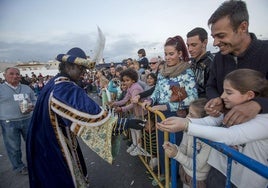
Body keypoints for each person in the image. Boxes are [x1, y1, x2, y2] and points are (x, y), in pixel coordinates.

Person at [26, 47, 145, 188]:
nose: (84, 72)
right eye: (81, 68)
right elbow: (93, 116)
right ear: (69, 66)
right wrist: (126, 123)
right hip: (53, 143)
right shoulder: (64, 87)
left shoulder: (55, 82)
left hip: (45, 137)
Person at [157, 69, 268, 188]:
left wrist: (186, 125)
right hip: (219, 171)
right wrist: (185, 121)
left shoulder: (264, 121)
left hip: (244, 182)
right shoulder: (229, 109)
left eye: (229, 92)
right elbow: (210, 121)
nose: (222, 96)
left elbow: (230, 135)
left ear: (250, 95)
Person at [142, 35, 198, 185]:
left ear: (180, 54)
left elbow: (192, 98)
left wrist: (166, 106)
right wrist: (150, 100)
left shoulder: (187, 72)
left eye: (171, 54)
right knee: (163, 148)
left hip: (177, 118)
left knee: (176, 150)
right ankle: (165, 175)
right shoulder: (162, 72)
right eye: (166, 54)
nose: (167, 57)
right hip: (161, 115)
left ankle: (175, 180)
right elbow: (157, 92)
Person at [204, 0, 268, 126]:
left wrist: (258, 104)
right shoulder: (218, 58)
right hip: (228, 133)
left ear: (243, 27)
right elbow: (210, 86)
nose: (215, 43)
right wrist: (216, 99)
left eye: (221, 36)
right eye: (213, 37)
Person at [162, 98, 210, 188]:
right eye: (188, 112)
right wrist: (175, 148)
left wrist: (176, 155)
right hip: (185, 171)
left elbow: (197, 166)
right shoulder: (188, 129)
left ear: (204, 120)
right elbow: (183, 146)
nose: (187, 117)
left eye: (191, 115)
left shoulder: (208, 140)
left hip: (198, 178)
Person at [0, 67, 36, 175]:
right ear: (4, 76)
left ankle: (36, 163)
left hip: (27, 120)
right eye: (11, 74)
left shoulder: (26, 88)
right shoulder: (1, 89)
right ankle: (19, 167)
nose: (15, 76)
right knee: (14, 147)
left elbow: (34, 99)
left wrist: (32, 106)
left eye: (17, 74)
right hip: (9, 122)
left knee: (32, 143)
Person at [110, 68, 147, 156]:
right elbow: (125, 99)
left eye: (127, 80)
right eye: (124, 80)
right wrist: (115, 103)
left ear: (133, 80)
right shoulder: (130, 87)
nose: (125, 82)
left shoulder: (136, 88)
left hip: (140, 112)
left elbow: (133, 104)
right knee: (133, 129)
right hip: (135, 112)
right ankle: (135, 145)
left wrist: (122, 109)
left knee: (137, 130)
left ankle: (139, 147)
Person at [186, 27, 214, 98]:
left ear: (204, 43)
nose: (189, 49)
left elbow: (212, 92)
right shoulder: (191, 63)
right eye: (188, 45)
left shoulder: (212, 63)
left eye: (194, 45)